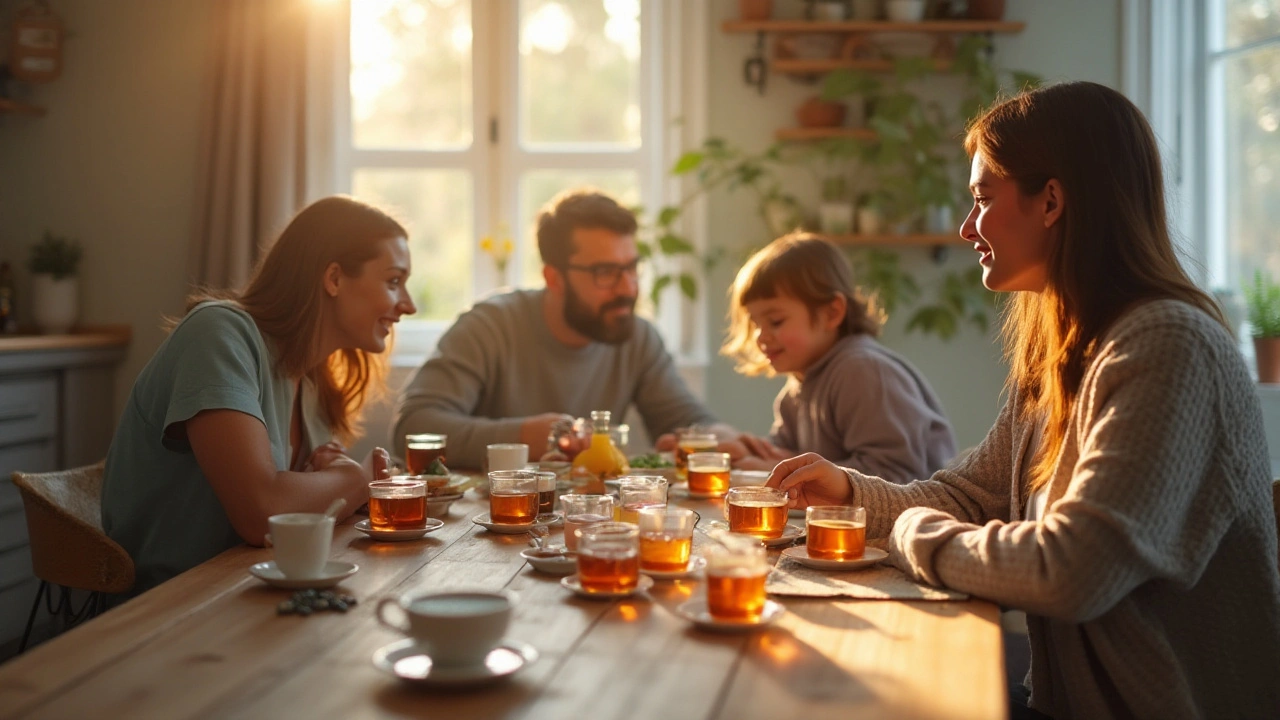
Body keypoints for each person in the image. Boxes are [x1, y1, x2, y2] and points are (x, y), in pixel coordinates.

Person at [767, 81, 1280, 719]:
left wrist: (911, 533)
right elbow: (968, 497)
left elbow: (1073, 570)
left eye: (982, 199)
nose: (966, 226)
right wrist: (848, 493)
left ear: (1052, 201)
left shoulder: (1169, 347)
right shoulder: (1063, 350)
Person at [102, 196, 414, 596]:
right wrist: (354, 480)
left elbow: (304, 509)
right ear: (333, 278)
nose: (408, 305)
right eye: (393, 281)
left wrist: (336, 483)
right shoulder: (217, 335)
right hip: (171, 610)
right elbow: (263, 513)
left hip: (253, 593)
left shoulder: (314, 380)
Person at [393, 188, 723, 468]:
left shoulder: (637, 337)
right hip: (487, 522)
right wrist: (524, 437)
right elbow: (414, 426)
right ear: (554, 278)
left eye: (632, 269)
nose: (628, 289)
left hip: (593, 521)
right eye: (606, 273)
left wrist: (724, 438)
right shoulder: (489, 326)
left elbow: (684, 420)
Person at [719, 232, 955, 481]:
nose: (761, 337)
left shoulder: (861, 371)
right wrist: (749, 452)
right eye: (755, 324)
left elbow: (896, 473)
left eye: (775, 321)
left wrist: (770, 466)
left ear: (832, 313)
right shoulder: (795, 392)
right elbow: (787, 456)